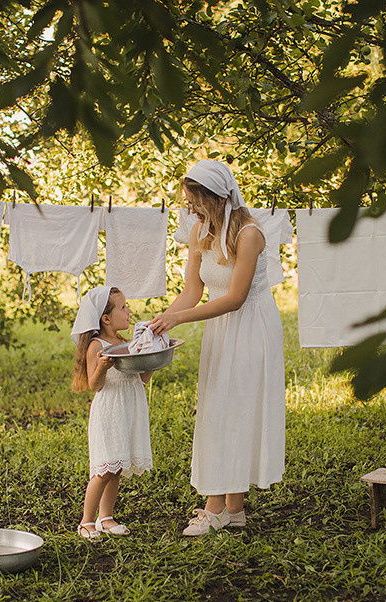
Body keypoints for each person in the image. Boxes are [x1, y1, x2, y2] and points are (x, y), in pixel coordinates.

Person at [148, 159, 285, 536]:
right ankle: (231, 511)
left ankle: (217, 509)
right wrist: (160, 321)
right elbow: (193, 291)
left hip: (251, 326)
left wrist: (179, 320)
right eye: (188, 202)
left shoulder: (250, 234)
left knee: (237, 409)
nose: (191, 209)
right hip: (221, 328)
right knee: (217, 408)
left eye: (197, 201)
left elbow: (236, 298)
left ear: (219, 198)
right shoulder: (198, 231)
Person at [70, 286, 154, 539]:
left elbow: (141, 379)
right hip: (110, 410)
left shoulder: (126, 343)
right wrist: (103, 367)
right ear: (106, 318)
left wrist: (153, 360)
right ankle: (86, 521)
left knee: (117, 466)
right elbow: (95, 385)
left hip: (130, 407)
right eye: (123, 307)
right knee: (104, 469)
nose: (129, 311)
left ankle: (105, 517)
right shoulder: (97, 346)